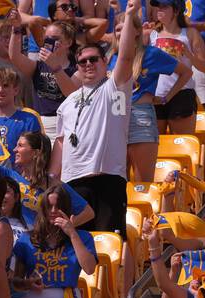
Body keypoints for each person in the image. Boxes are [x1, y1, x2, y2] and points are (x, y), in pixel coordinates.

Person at [58, 3, 141, 232]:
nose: (88, 64)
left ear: (105, 63)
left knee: (112, 244)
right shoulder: (67, 103)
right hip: (73, 183)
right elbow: (61, 143)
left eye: (94, 59)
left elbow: (125, 58)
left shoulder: (114, 89)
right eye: (83, 62)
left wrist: (131, 16)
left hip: (107, 180)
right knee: (78, 246)